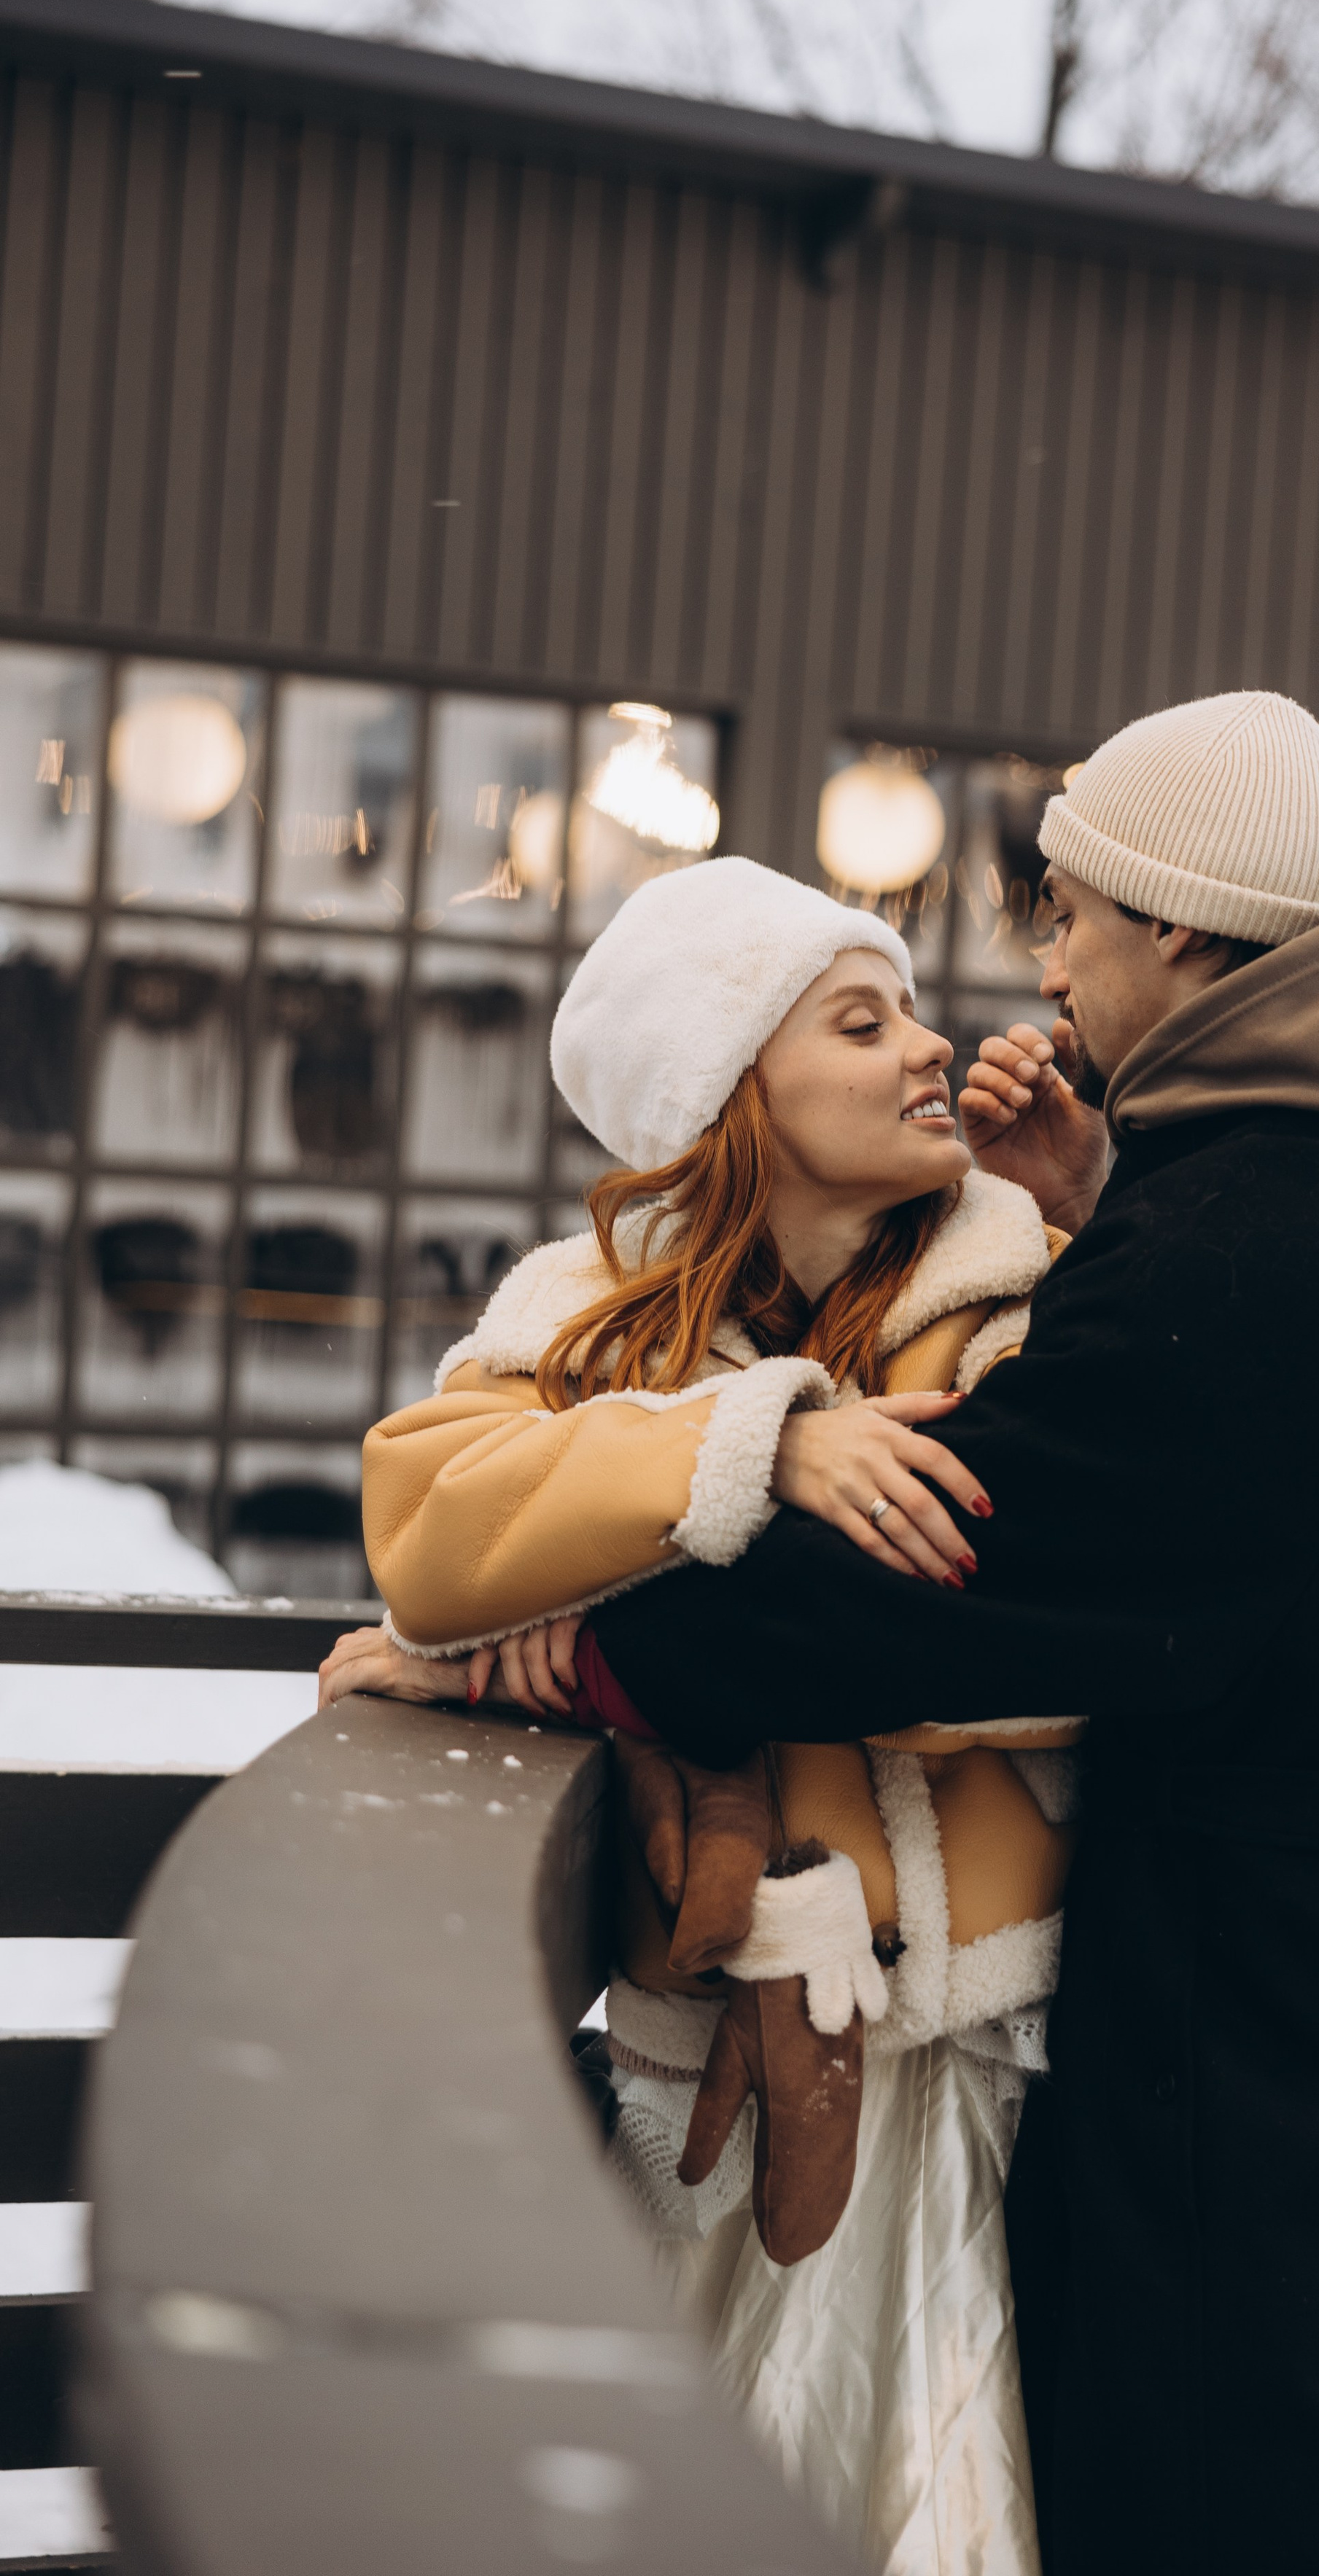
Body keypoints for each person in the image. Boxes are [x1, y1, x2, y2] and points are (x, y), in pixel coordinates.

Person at [572, 692, 1319, 2575]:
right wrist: (1101, 1214)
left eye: (1070, 913)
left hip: (1264, 2045)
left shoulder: (1262, 1242)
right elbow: (1244, 1502)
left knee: (1249, 2503)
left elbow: (958, 1565)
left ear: (1183, 930)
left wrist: (593, 1644)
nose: (1045, 966)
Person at [319, 856, 1083, 2576]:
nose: (929, 1049)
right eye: (859, 1022)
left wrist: (565, 1620)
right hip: (705, 2051)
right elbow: (428, 1525)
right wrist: (761, 1442)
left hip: (952, 2058)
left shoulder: (1009, 1295)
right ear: (730, 1089)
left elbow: (1019, 1656)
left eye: (910, 1012)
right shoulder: (588, 1310)